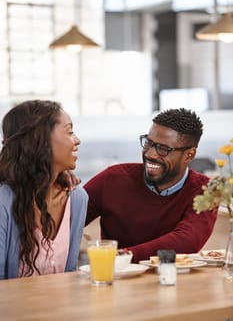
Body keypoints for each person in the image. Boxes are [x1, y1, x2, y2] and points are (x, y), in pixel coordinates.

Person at [84, 108, 217, 263]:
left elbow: (186, 240)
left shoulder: (206, 190)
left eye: (163, 149)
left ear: (189, 155)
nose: (150, 154)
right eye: (149, 143)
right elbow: (66, 220)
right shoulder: (113, 179)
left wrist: (123, 256)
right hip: (116, 281)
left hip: (172, 282)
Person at [0, 100, 88, 279]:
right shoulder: (4, 201)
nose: (77, 140)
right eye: (69, 131)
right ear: (40, 140)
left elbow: (68, 275)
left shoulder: (77, 198)